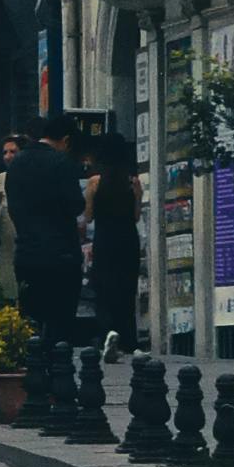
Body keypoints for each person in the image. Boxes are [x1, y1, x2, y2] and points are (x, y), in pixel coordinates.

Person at [0, 118, 83, 348]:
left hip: (27, 251)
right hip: (61, 253)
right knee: (60, 320)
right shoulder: (61, 161)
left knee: (31, 318)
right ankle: (58, 372)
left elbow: (13, 206)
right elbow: (76, 204)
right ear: (65, 140)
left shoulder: (16, 163)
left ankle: (34, 370)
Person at [87, 138, 142, 351]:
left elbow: (89, 215)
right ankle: (128, 337)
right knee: (126, 288)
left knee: (103, 287)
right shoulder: (133, 181)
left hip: (104, 237)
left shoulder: (95, 182)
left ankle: (106, 332)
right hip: (128, 238)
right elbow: (136, 215)